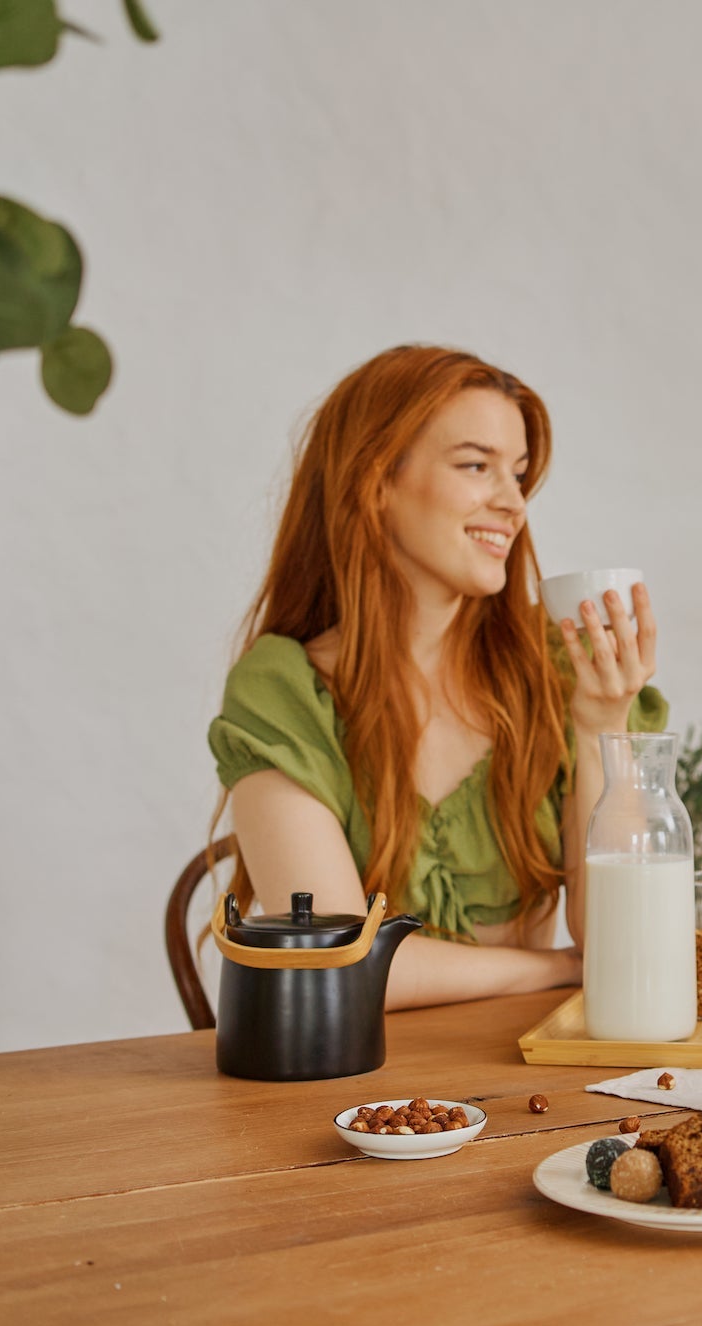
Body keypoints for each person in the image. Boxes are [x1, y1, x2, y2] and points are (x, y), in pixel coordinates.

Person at [207, 345, 665, 1009]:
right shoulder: (285, 692)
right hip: (366, 1094)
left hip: (536, 1079)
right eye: (477, 465)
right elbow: (338, 961)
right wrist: (554, 967)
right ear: (377, 481)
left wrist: (604, 727)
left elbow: (619, 941)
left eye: (519, 474)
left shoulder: (556, 666)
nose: (513, 503)